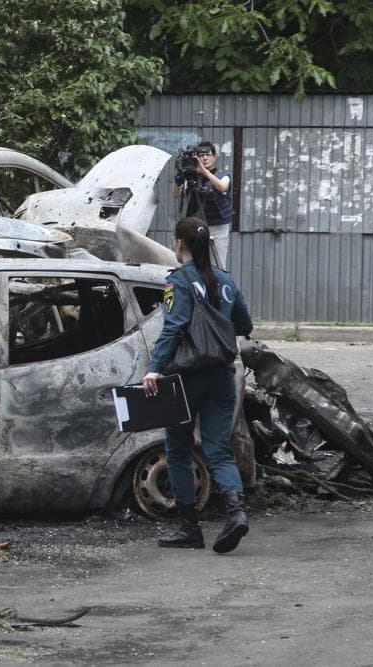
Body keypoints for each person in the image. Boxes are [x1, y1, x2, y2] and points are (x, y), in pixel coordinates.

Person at [142, 217, 253, 554]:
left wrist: (153, 370)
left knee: (177, 449)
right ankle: (236, 512)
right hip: (222, 375)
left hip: (187, 377)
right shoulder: (226, 282)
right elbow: (245, 323)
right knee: (217, 450)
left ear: (179, 244)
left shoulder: (178, 282)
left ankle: (190, 528)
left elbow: (173, 327)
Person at [172, 141, 233, 269]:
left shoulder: (223, 176)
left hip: (217, 226)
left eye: (208, 155)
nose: (205, 158)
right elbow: (175, 194)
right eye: (201, 155)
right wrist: (179, 176)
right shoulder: (192, 178)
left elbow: (222, 187)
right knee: (193, 262)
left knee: (218, 266)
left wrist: (204, 171)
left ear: (214, 157)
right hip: (196, 226)